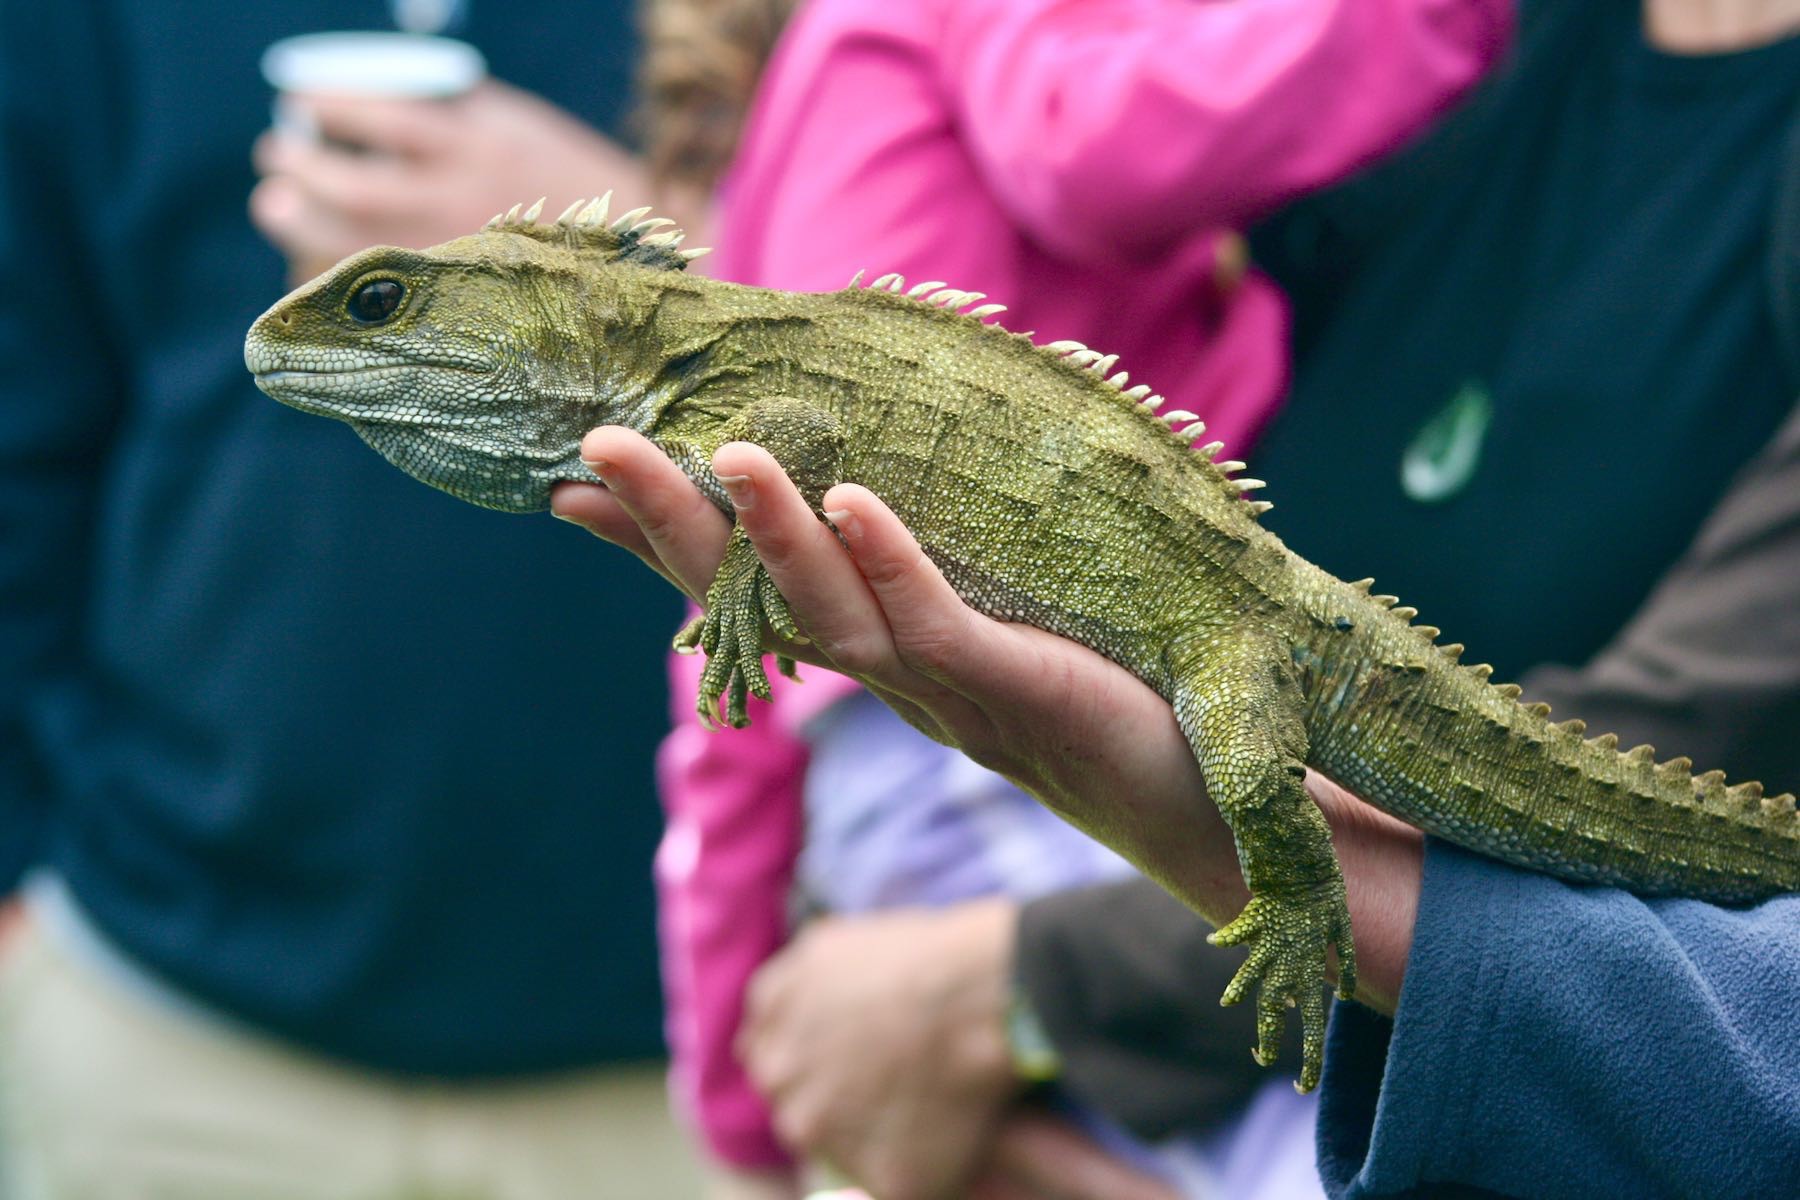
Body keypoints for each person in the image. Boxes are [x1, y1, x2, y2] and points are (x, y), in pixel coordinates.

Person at [553, 0, 1800, 1194]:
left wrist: (1040, 983)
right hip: (1181, 794)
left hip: (1440, 992)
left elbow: (1698, 717)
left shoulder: (1414, 32)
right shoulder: (1453, 60)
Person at [0, 4, 694, 1196]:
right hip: (163, 1028)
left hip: (669, 1056)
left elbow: (957, 356)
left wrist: (630, 251)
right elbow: (23, 442)